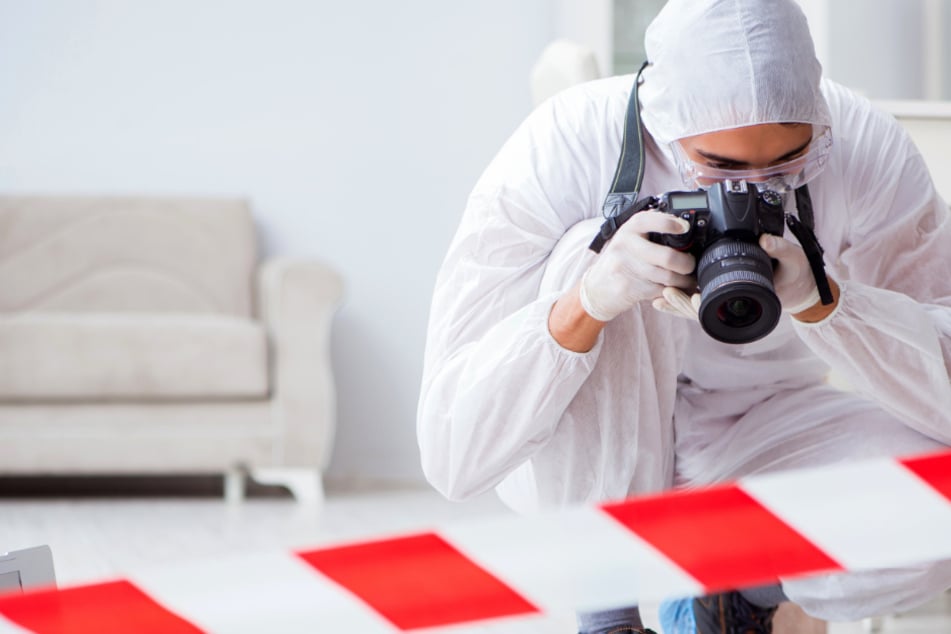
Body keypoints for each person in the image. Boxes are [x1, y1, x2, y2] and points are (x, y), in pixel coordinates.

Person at [416, 0, 951, 632]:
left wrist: (827, 302)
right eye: (720, 169)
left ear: (818, 126)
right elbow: (455, 453)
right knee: (587, 247)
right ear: (662, 128)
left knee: (935, 509)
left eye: (787, 165)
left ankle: (740, 592)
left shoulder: (865, 146)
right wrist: (587, 301)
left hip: (763, 428)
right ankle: (609, 610)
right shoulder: (561, 142)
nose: (756, 191)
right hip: (588, 459)